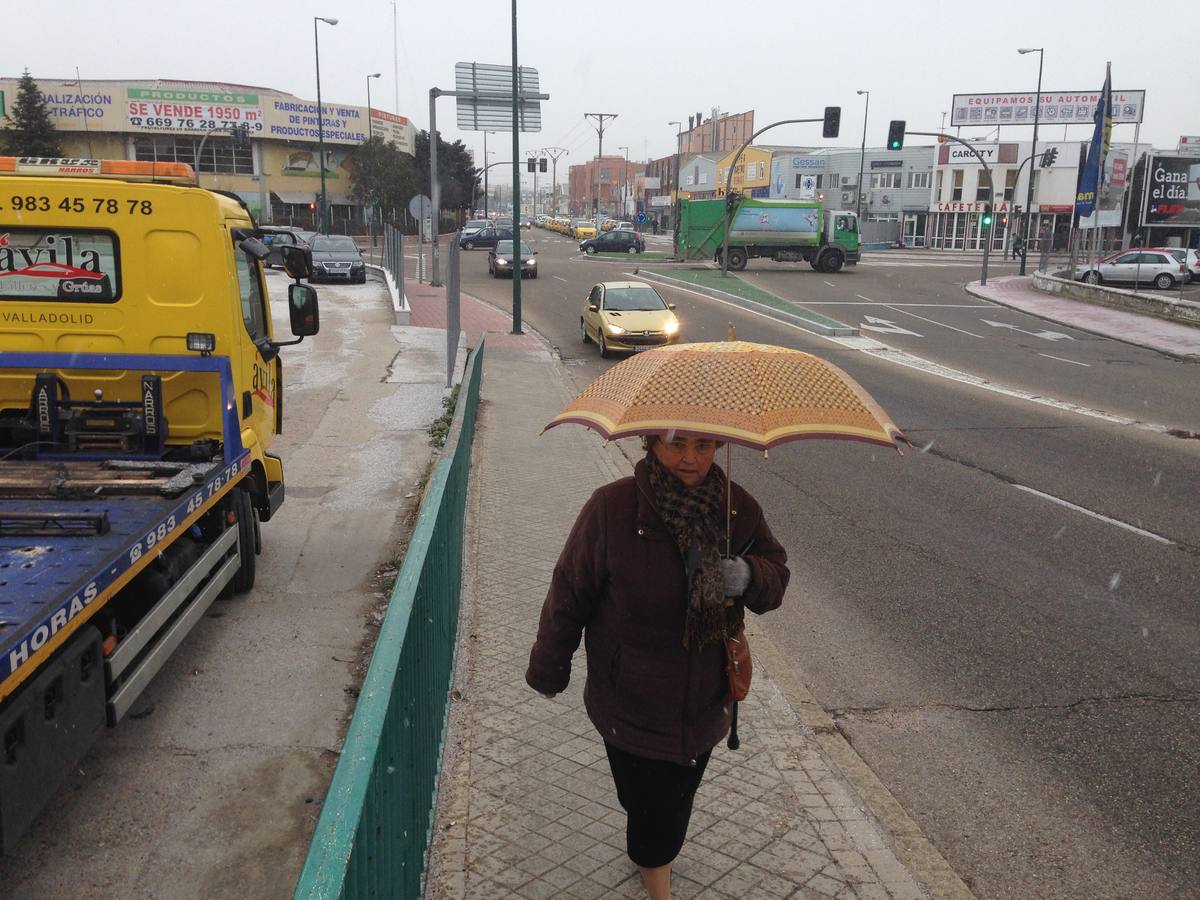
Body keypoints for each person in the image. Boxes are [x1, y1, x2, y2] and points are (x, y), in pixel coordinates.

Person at [526, 434, 789, 899]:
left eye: (705, 445)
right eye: (676, 444)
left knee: (669, 805)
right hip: (631, 701)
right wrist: (550, 669)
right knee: (649, 808)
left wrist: (748, 574)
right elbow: (569, 593)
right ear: (650, 443)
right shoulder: (612, 509)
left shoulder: (736, 509)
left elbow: (776, 574)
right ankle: (653, 864)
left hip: (705, 700)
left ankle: (651, 851)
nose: (691, 458)